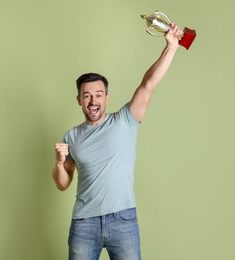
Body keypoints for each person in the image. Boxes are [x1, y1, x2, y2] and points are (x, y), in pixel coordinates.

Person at [52, 23, 183, 260]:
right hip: (84, 223)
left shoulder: (125, 120)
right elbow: (63, 184)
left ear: (106, 98)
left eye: (98, 95)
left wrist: (170, 48)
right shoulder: (71, 136)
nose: (93, 101)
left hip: (123, 220)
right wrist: (60, 164)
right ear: (79, 100)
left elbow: (148, 85)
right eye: (87, 95)